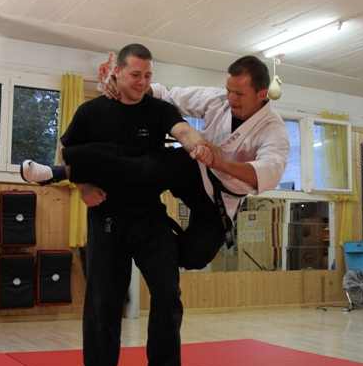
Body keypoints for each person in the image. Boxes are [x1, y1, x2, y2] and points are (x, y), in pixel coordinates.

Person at [41, 43, 206, 366]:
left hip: (150, 217)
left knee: (168, 294)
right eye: (135, 75)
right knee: (104, 299)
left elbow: (182, 130)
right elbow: (67, 155)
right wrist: (84, 188)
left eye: (148, 76)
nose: (142, 82)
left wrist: (198, 144)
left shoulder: (158, 109)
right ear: (116, 72)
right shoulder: (91, 112)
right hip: (106, 216)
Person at [22, 57, 290, 271]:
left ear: (262, 94)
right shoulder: (217, 99)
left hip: (223, 198)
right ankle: (61, 170)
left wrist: (221, 162)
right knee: (143, 165)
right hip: (195, 170)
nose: (231, 98)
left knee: (195, 256)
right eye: (229, 90)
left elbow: (270, 171)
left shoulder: (273, 129)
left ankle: (151, 244)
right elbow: (169, 95)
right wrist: (127, 85)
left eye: (239, 93)